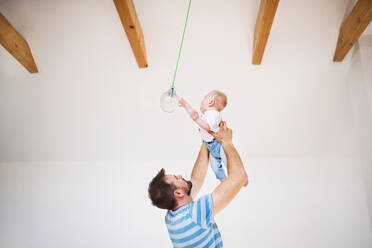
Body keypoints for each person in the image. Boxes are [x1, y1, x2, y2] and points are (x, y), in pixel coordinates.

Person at [148, 122, 248, 247]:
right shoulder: (195, 213)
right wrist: (227, 142)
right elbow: (239, 177)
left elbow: (196, 179)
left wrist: (207, 140)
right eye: (176, 178)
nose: (179, 175)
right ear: (178, 193)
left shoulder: (172, 217)